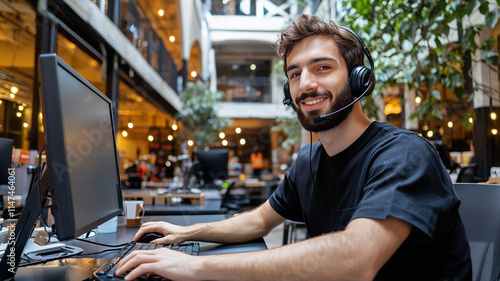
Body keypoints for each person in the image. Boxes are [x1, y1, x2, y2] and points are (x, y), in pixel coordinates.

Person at [116, 14, 472, 280]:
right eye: (295, 74)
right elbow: (259, 220)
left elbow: (358, 259)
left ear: (359, 78)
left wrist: (195, 266)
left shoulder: (404, 155)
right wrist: (186, 234)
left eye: (322, 67)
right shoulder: (310, 159)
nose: (306, 84)